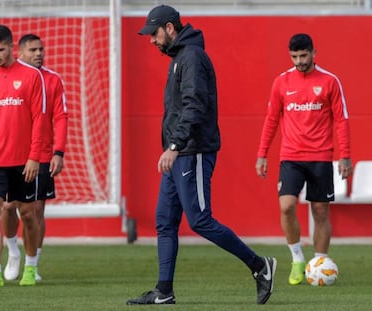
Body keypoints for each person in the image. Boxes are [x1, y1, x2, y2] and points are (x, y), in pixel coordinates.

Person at [126, 5, 276, 305]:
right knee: (165, 221)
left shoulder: (191, 57)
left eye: (153, 34)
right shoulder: (180, 57)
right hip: (180, 151)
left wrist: (174, 146)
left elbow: (195, 106)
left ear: (169, 29)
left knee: (199, 220)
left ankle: (259, 266)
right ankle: (164, 292)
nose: (151, 41)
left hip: (191, 151)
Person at [255, 33, 352, 285]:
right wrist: (262, 154)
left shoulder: (330, 81)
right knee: (286, 206)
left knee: (320, 211)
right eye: (294, 57)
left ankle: (320, 264)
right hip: (291, 157)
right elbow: (271, 120)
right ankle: (298, 259)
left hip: (321, 157)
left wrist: (346, 156)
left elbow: (341, 120)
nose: (299, 61)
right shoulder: (281, 82)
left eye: (303, 56)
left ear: (313, 53)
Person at [0, 25, 46, 287]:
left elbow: (40, 119)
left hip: (24, 160)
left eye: (0, 50)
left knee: (27, 214)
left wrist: (34, 156)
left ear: (11, 47)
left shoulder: (31, 76)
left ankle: (30, 267)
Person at [1, 33, 68, 282]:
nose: (39, 54)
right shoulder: (6, 76)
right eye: (33, 50)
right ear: (19, 53)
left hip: (40, 155)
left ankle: (33, 264)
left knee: (36, 210)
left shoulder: (52, 80)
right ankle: (12, 251)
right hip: (9, 154)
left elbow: (60, 118)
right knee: (7, 207)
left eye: (41, 49)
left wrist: (58, 152)